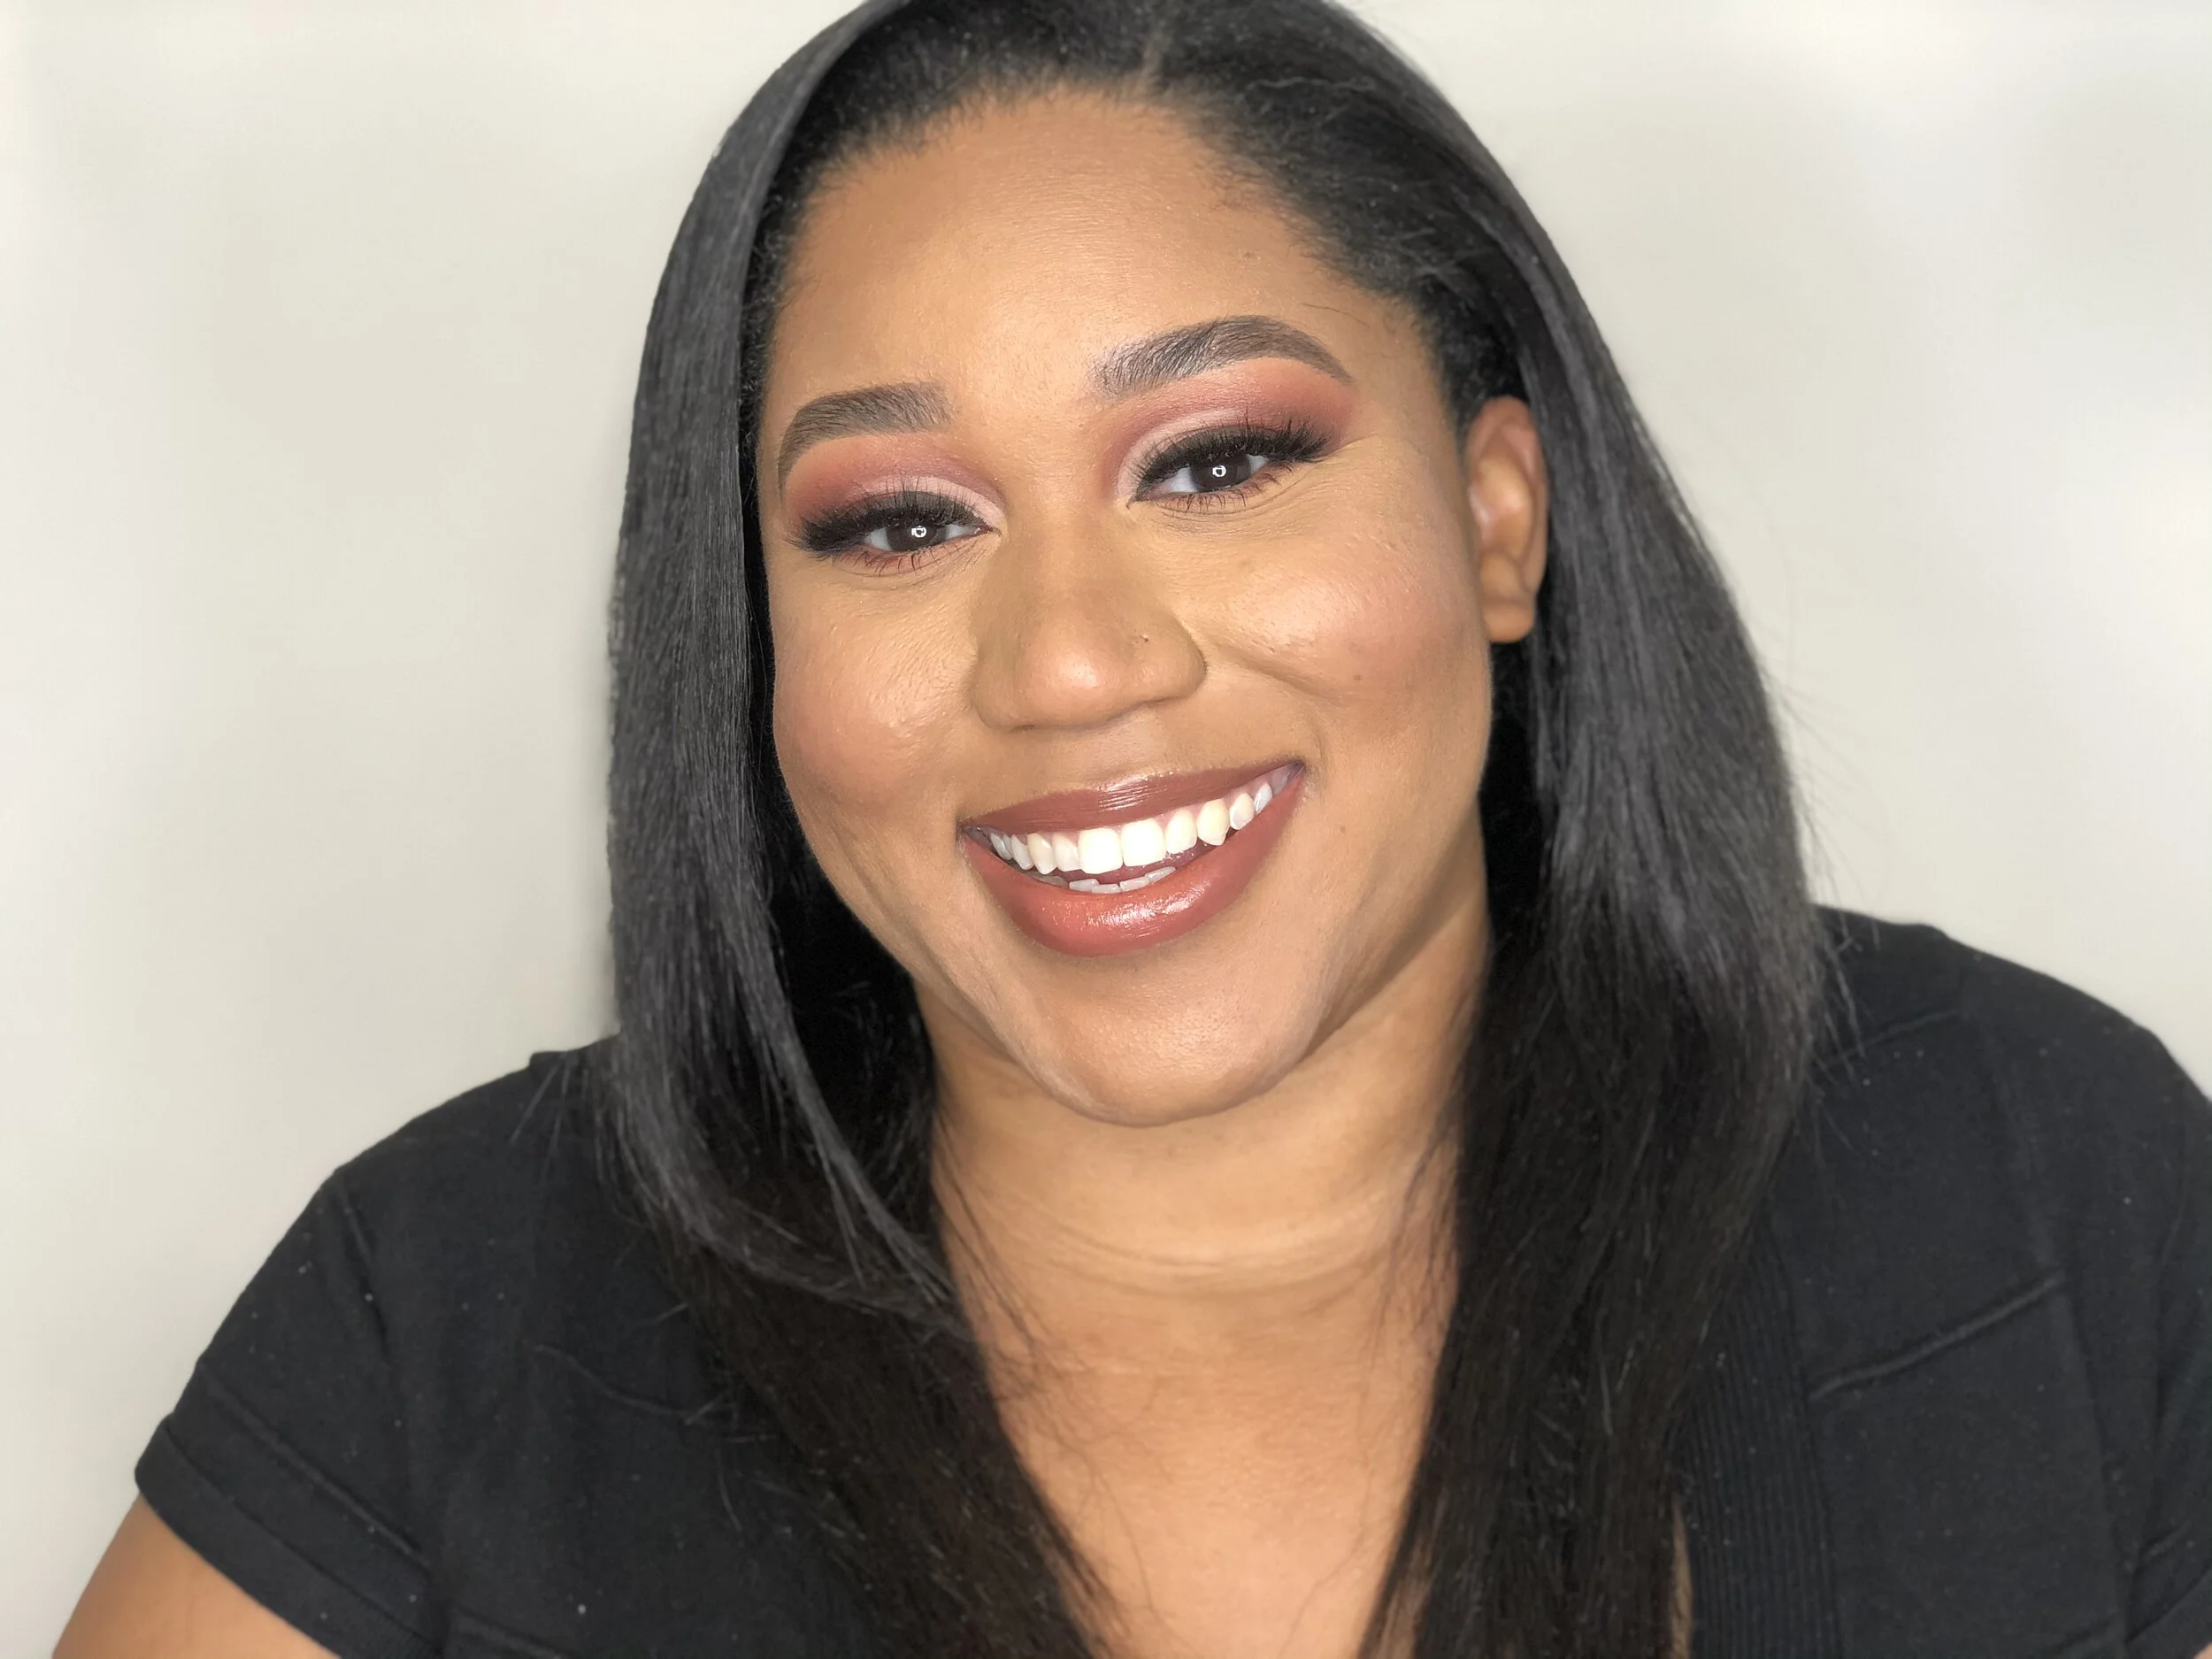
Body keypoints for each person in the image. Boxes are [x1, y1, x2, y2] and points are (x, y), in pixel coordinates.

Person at [56, 1, 2211, 1655]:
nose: (1070, 663)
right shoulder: (450, 1310)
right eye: (899, 521)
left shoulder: (2039, 1184)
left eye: (1212, 463)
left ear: (1496, 518)